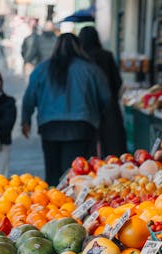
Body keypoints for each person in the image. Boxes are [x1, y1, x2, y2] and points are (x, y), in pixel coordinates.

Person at [22, 33, 111, 186]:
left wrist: (26, 120)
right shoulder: (91, 70)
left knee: (53, 173)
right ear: (80, 48)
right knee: (78, 175)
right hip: (82, 127)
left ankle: (54, 204)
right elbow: (106, 98)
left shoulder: (41, 69)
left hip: (50, 128)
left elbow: (29, 97)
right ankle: (74, 207)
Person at [79, 26, 127, 157]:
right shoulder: (107, 56)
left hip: (86, 106)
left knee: (90, 147)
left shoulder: (81, 59)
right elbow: (117, 81)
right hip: (109, 105)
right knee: (113, 145)